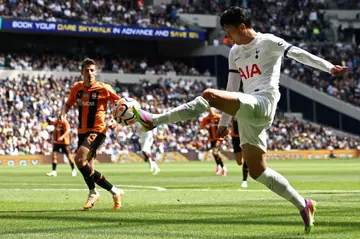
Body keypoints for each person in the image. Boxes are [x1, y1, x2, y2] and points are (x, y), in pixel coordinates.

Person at [134, 7, 348, 233]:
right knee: (257, 171)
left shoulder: (269, 42)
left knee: (209, 95)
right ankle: (304, 204)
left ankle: (154, 120)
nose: (228, 36)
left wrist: (328, 67)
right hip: (247, 107)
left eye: (229, 30)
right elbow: (232, 86)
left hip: (264, 102)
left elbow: (298, 53)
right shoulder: (234, 51)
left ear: (242, 27)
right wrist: (224, 122)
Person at [58, 58, 124, 210]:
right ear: (82, 72)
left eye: (92, 70)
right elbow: (68, 104)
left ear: (96, 72)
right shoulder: (77, 88)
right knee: (88, 168)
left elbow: (121, 104)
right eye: (87, 70)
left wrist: (115, 120)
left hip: (98, 130)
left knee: (79, 159)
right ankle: (99, 192)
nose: (89, 73)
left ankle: (107, 191)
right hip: (82, 130)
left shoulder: (104, 88)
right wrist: (63, 113)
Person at [200, 108, 227, 176]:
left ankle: (221, 167)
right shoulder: (207, 118)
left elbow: (225, 124)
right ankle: (221, 167)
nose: (210, 112)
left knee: (215, 151)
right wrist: (205, 127)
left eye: (212, 110)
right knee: (214, 153)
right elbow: (202, 125)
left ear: (214, 111)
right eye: (209, 111)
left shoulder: (218, 117)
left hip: (219, 138)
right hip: (212, 139)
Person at [231, 117, 248, 187]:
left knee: (246, 157)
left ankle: (244, 180)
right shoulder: (232, 111)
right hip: (235, 138)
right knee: (239, 162)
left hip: (246, 136)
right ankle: (247, 163)